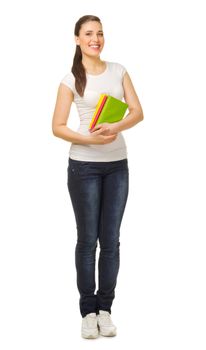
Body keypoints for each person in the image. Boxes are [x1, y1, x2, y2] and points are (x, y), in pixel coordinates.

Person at [52, 15, 144, 339]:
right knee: (87, 241)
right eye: (89, 33)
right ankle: (87, 311)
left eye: (100, 33)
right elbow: (57, 126)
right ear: (77, 39)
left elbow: (137, 111)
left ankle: (106, 309)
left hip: (117, 165)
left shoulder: (118, 71)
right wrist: (91, 139)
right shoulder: (70, 80)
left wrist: (115, 128)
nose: (96, 38)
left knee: (112, 242)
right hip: (84, 167)